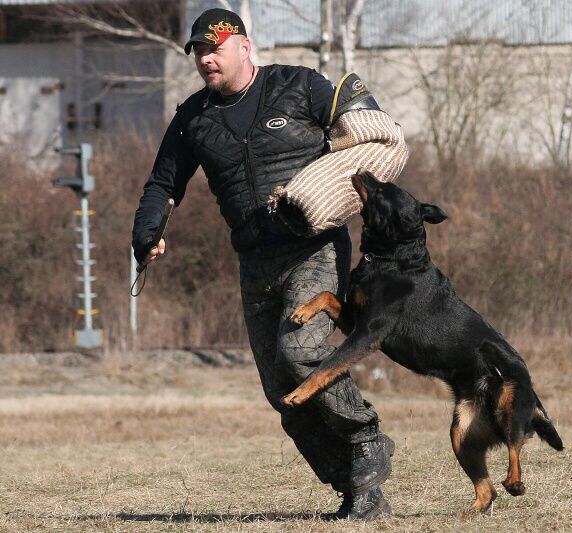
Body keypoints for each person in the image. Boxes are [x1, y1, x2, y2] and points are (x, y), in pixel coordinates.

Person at [131, 8, 396, 520]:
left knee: (300, 352)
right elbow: (163, 185)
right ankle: (358, 491)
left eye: (215, 49)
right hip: (254, 261)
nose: (206, 60)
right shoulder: (193, 119)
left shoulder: (300, 87)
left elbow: (367, 133)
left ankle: (367, 439)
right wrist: (147, 234)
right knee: (284, 394)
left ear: (244, 47)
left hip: (313, 248)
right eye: (199, 52)